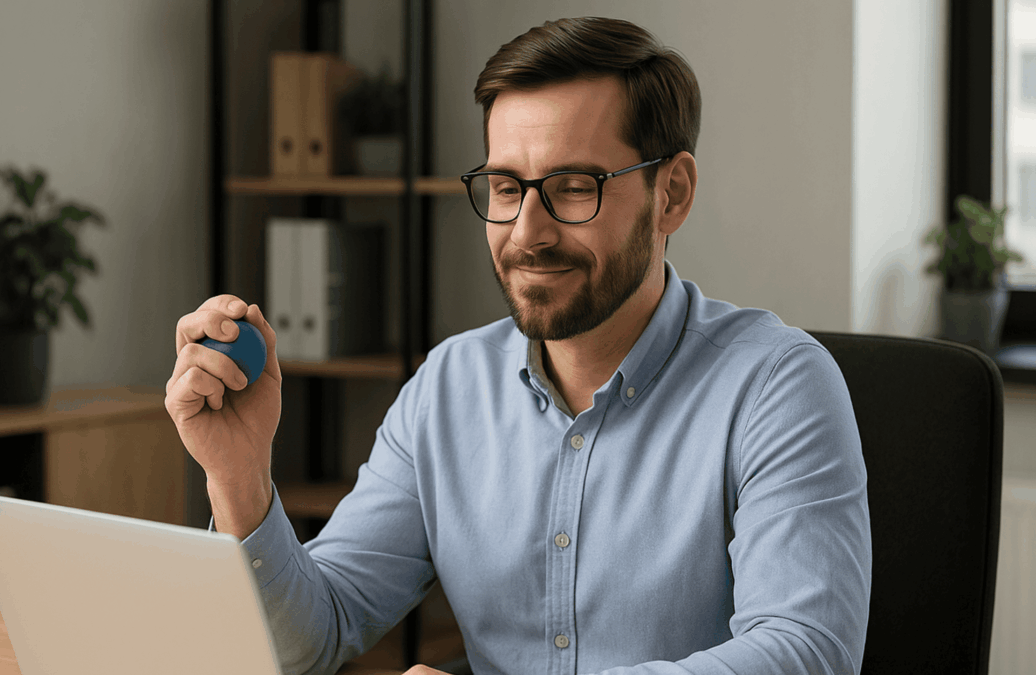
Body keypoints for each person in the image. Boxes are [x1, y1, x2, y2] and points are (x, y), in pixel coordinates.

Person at [166, 16, 872, 675]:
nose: (527, 232)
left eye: (572, 187)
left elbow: (804, 651)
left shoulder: (776, 383)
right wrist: (240, 476)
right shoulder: (447, 388)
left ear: (672, 193)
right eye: (506, 187)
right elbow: (312, 637)